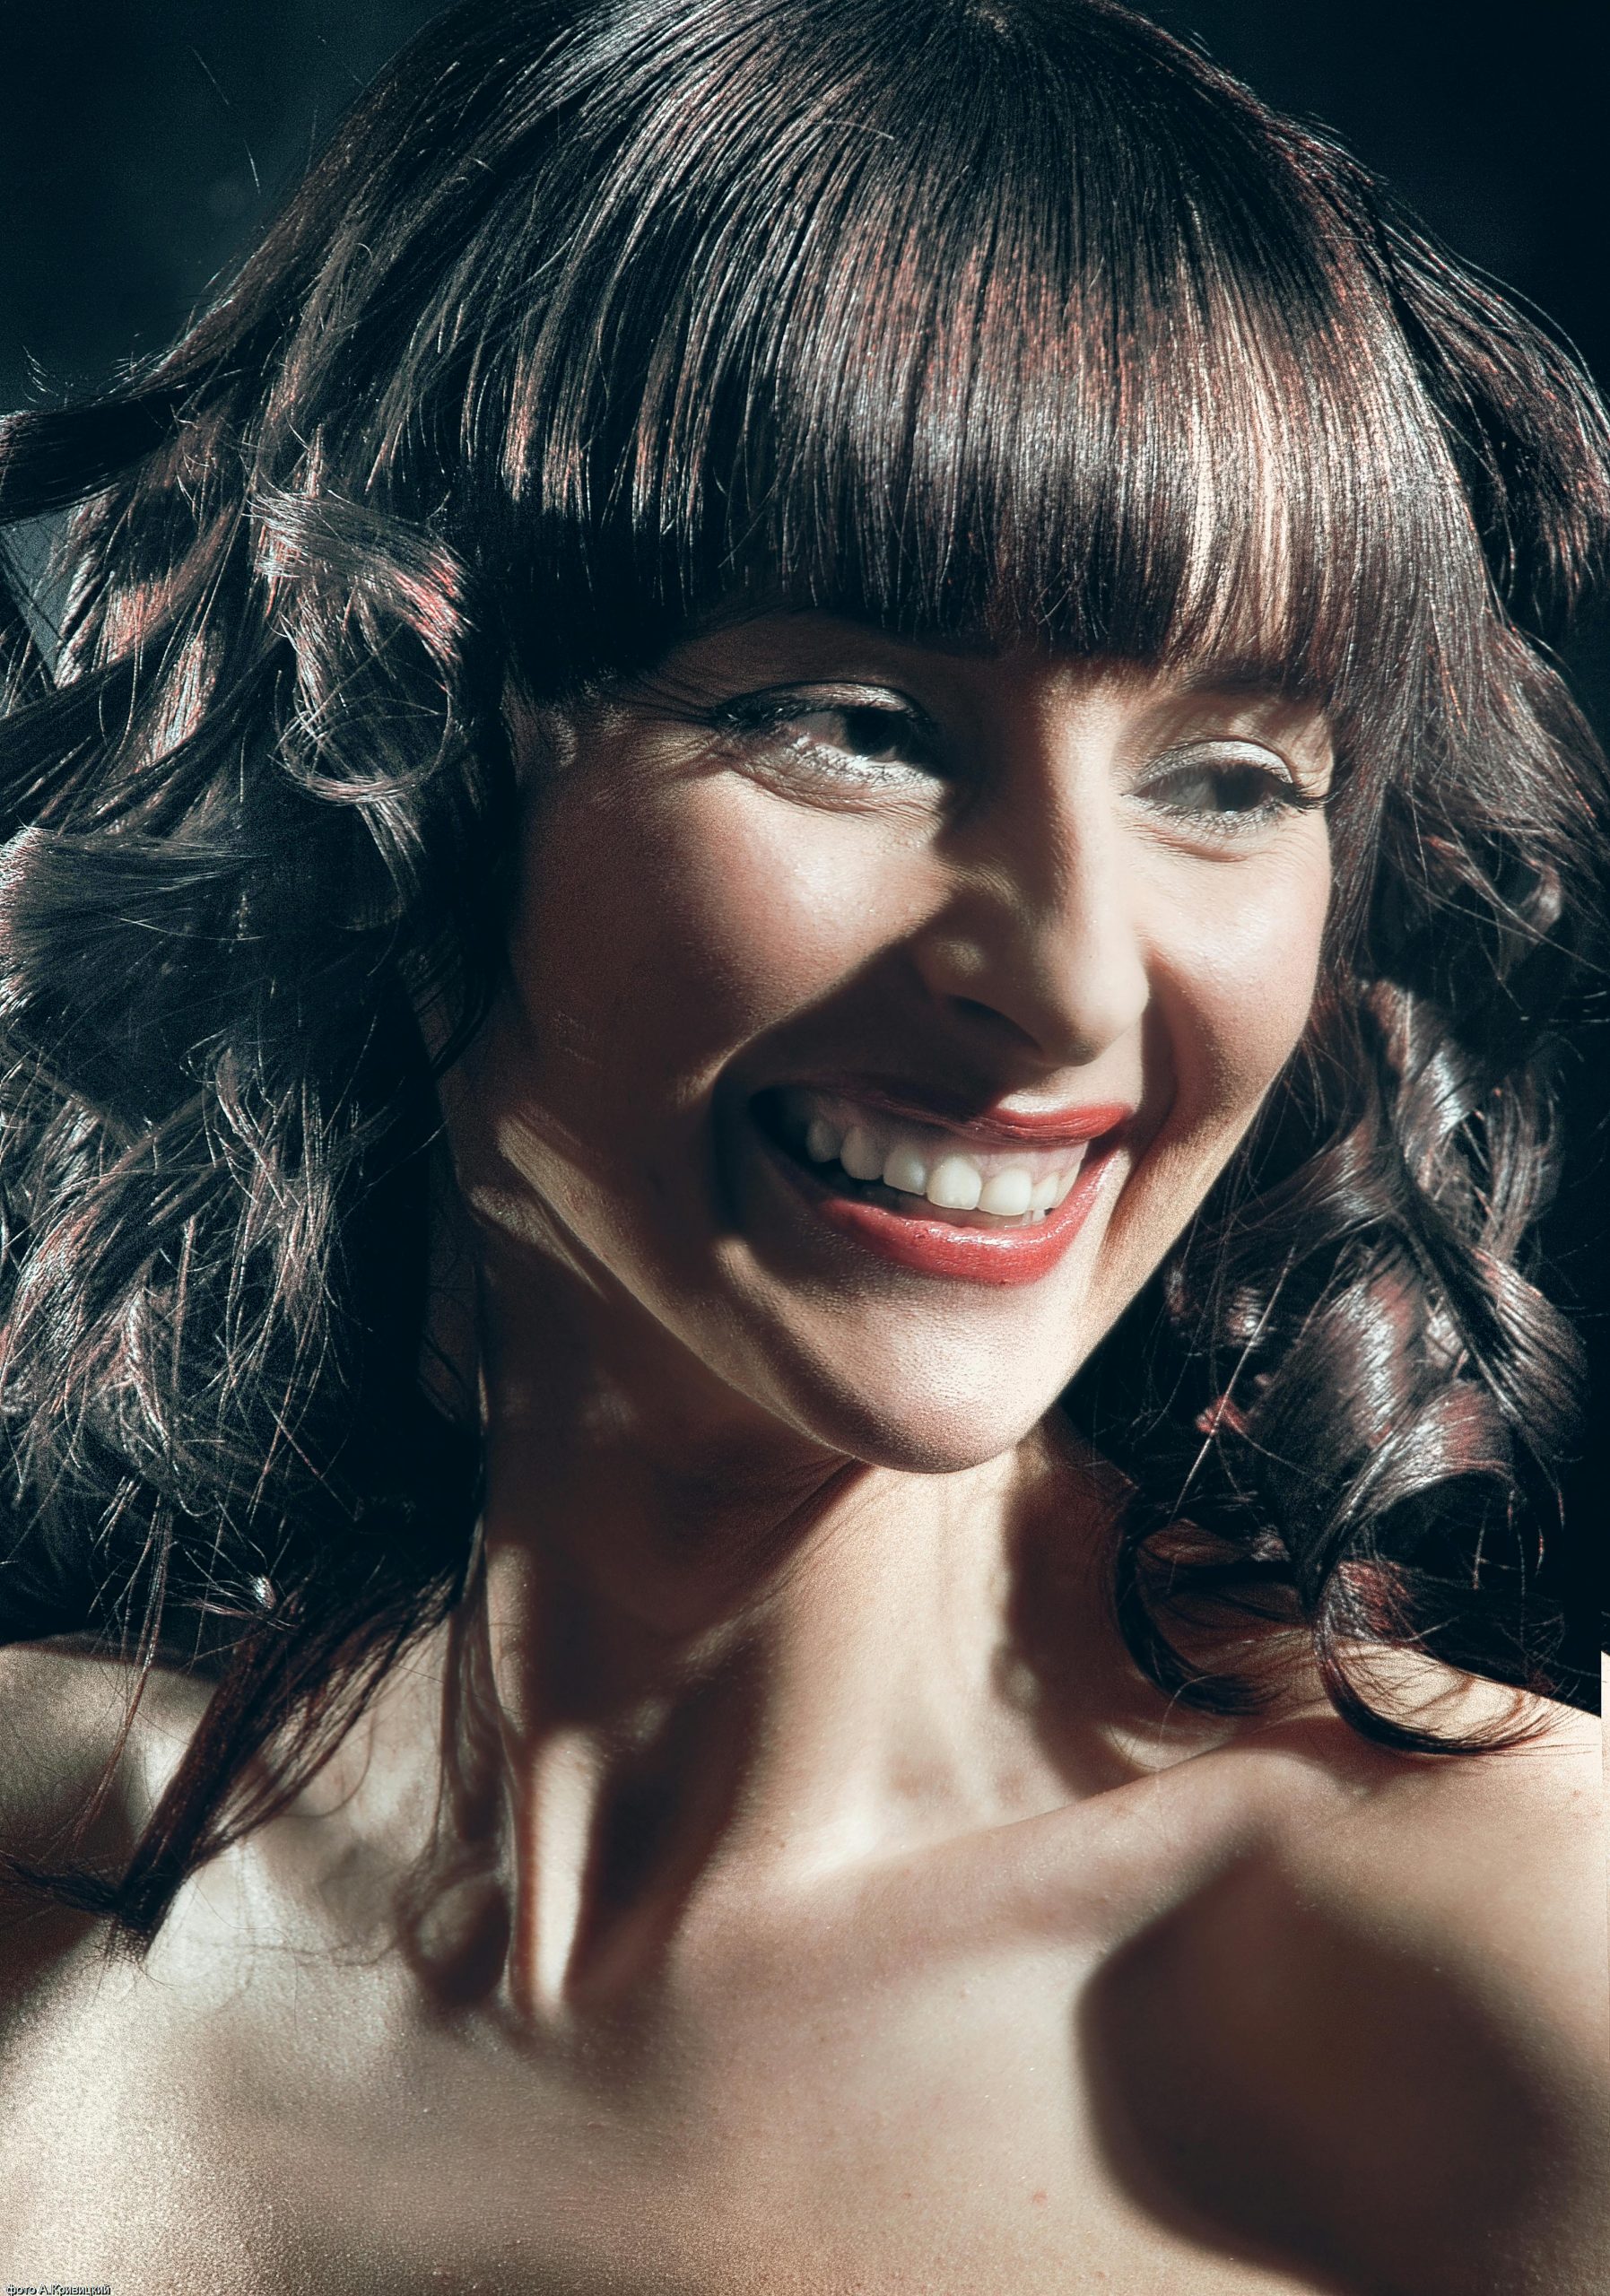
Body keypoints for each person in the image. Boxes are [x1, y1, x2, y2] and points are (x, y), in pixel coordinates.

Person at [0, 0, 1605, 2286]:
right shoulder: (36, 1884)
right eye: (855, 723)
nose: (1072, 984)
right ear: (380, 749)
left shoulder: (1523, 1986)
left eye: (1229, 776)